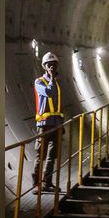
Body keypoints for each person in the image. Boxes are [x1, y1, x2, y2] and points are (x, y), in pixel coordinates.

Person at [32, 51, 64, 193]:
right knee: (41, 156)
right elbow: (49, 93)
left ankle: (47, 182)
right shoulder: (39, 82)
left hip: (56, 124)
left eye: (54, 64)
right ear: (44, 66)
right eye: (49, 65)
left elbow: (58, 105)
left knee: (52, 156)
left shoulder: (56, 83)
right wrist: (51, 77)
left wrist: (61, 123)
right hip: (44, 125)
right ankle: (36, 185)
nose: (52, 67)